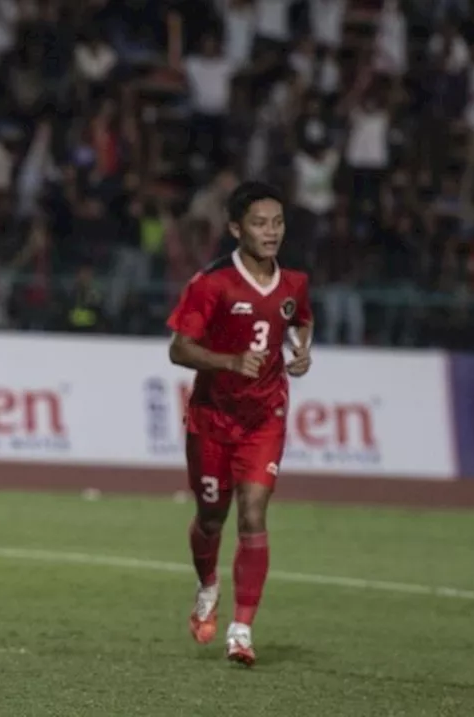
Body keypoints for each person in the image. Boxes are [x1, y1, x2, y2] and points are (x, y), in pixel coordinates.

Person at [164, 180, 314, 667]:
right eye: (259, 223)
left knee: (254, 514)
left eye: (277, 223)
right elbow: (178, 348)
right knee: (212, 517)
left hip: (264, 417)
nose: (271, 232)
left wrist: (301, 351)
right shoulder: (212, 283)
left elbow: (300, 319)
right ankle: (208, 585)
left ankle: (241, 631)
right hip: (212, 418)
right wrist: (229, 363)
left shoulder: (294, 283)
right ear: (235, 229)